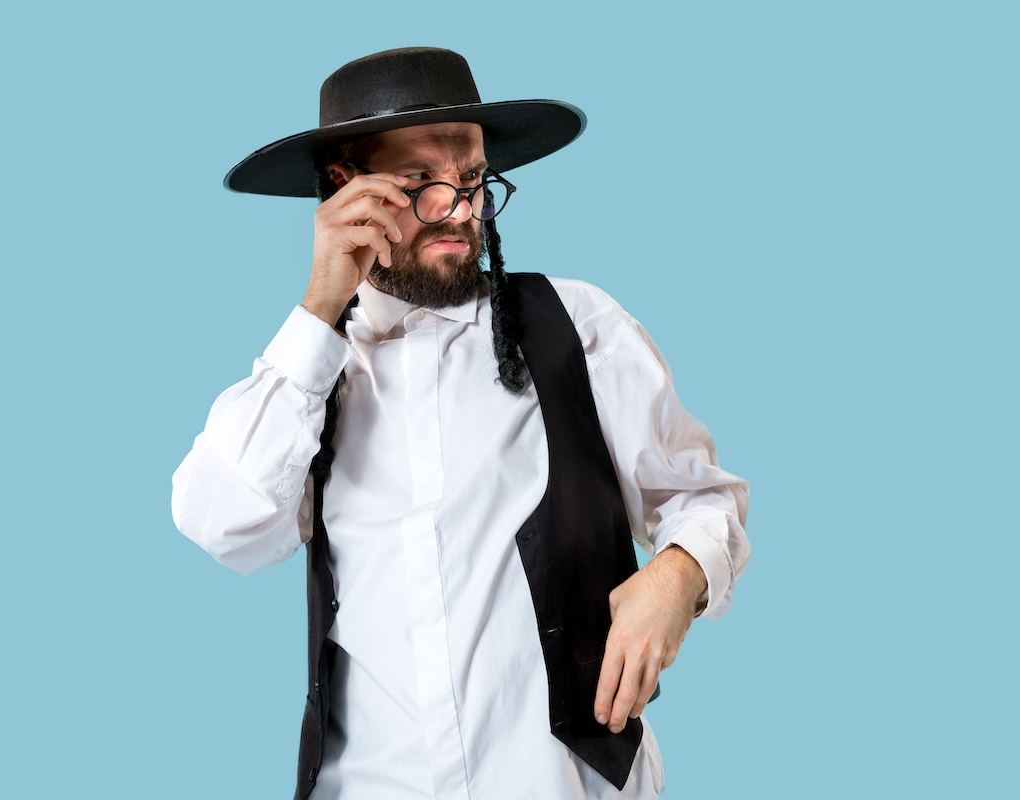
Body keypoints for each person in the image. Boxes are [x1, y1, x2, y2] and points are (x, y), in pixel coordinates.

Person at [172, 47, 750, 800]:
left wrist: (678, 575)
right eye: (419, 185)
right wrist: (317, 310)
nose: (460, 210)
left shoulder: (579, 330)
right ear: (346, 191)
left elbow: (705, 500)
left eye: (473, 181)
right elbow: (225, 524)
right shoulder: (312, 378)